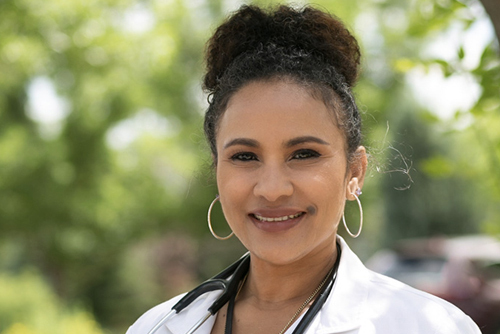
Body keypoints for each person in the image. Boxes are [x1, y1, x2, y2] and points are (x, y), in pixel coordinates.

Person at [127, 4, 481, 334]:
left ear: (354, 171)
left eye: (304, 154)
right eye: (245, 157)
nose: (272, 188)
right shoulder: (155, 327)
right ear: (218, 171)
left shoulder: (430, 326)